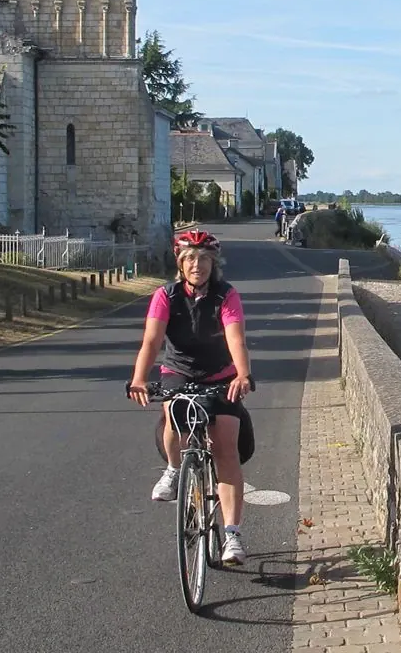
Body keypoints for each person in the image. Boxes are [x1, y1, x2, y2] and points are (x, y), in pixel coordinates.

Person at [126, 229, 256, 565]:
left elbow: (236, 339)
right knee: (174, 412)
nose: (197, 265)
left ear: (214, 264)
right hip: (179, 370)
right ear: (180, 264)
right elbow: (152, 341)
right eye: (190, 259)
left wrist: (242, 374)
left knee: (226, 446)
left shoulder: (226, 295)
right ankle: (173, 469)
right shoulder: (166, 296)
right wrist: (139, 378)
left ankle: (232, 535)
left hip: (221, 374)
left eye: (204, 259)